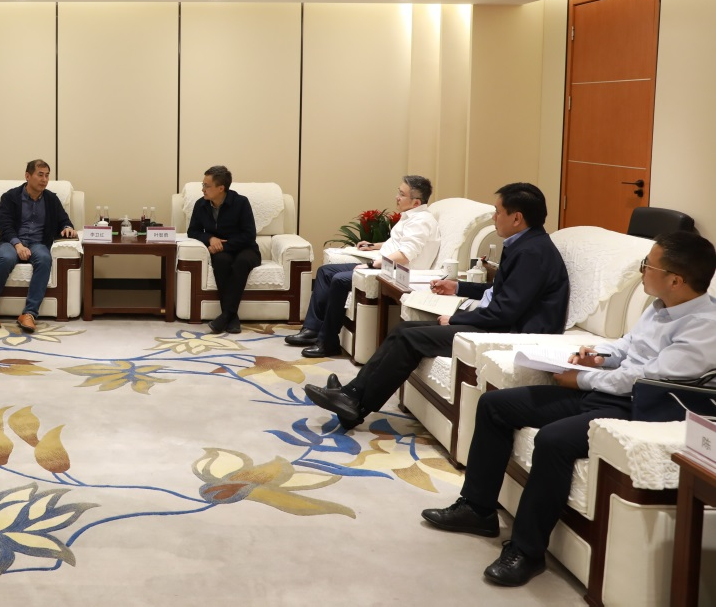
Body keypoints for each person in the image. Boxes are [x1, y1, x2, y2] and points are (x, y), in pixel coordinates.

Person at [421, 231, 716, 587]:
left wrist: (582, 379)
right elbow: (626, 348)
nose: (642, 271)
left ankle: (527, 552)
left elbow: (643, 379)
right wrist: (597, 356)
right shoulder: (660, 306)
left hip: (637, 407)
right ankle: (477, 508)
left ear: (675, 279)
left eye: (647, 265)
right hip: (606, 389)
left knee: (553, 440)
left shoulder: (705, 328)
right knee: (496, 405)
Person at [306, 182, 569, 431]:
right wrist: (458, 287)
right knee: (403, 330)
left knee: (410, 338)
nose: (493, 218)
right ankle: (352, 396)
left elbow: (505, 311)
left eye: (498, 212)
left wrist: (455, 320)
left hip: (512, 333)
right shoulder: (524, 244)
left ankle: (354, 402)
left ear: (517, 218)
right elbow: (501, 292)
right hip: (501, 322)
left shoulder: (532, 253)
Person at [286, 175, 440, 358]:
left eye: (401, 194)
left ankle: (328, 342)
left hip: (395, 273)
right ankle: (312, 329)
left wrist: (372, 265)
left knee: (339, 280)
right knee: (325, 271)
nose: (397, 197)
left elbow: (405, 255)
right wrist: (373, 246)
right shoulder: (411, 217)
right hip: (385, 265)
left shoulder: (421, 221)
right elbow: (398, 244)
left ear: (416, 202)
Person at [0, 159, 77, 334]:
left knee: (45, 259)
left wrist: (67, 227)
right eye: (40, 175)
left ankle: (29, 314)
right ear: (27, 176)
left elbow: (64, 219)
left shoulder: (51, 199)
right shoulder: (10, 197)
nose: (44, 180)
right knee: (6, 259)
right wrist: (18, 245)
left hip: (38, 243)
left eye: (47, 175)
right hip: (11, 242)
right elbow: (4, 225)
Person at [188, 165, 260, 335]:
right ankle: (232, 317)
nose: (203, 189)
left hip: (246, 249)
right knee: (221, 261)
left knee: (241, 262)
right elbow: (193, 231)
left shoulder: (241, 202)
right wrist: (210, 239)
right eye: (203, 185)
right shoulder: (201, 204)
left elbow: (249, 235)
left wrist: (222, 246)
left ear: (221, 188)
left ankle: (227, 315)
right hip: (221, 252)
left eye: (207, 186)